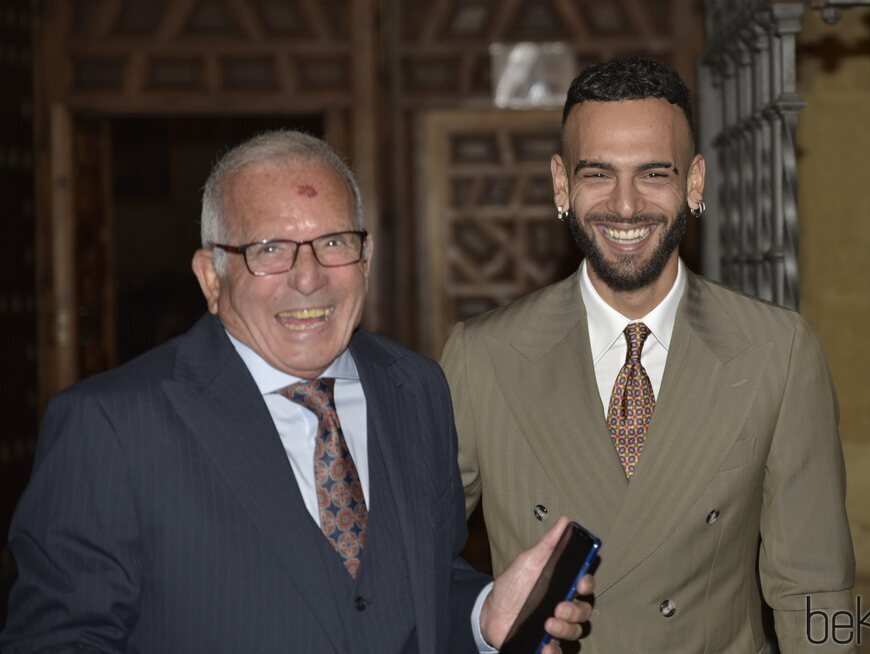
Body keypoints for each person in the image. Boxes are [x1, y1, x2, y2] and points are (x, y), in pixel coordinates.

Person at [1, 130, 592, 653]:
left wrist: (481, 616)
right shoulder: (110, 426)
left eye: (333, 242)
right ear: (212, 277)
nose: (308, 277)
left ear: (367, 257)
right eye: (270, 250)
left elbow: (421, 584)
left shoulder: (415, 388)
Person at [441, 57, 855, 653]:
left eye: (654, 174)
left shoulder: (777, 352)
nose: (627, 206)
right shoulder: (482, 357)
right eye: (598, 174)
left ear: (694, 183)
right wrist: (481, 622)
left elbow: (813, 590)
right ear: (562, 185)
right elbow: (414, 568)